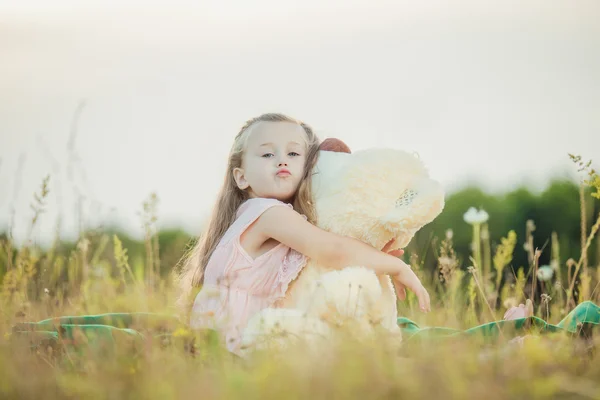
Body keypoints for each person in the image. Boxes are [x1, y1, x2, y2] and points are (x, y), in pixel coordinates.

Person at [176, 113, 430, 355]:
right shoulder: (267, 212)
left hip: (240, 342)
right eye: (267, 153)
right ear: (241, 178)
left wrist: (372, 257)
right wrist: (396, 266)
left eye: (293, 153)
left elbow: (322, 260)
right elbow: (333, 251)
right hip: (231, 348)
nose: (282, 160)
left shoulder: (272, 218)